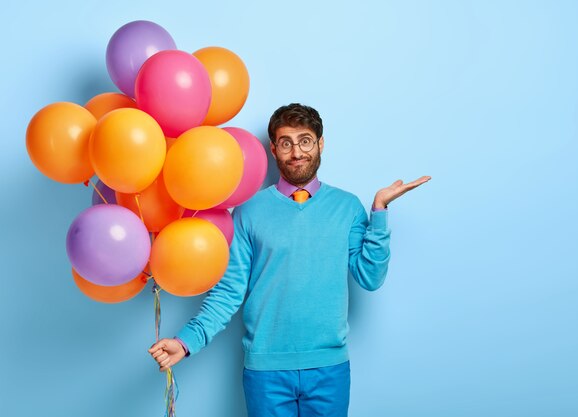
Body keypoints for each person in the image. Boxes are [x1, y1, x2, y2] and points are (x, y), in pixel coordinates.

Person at [149, 103, 431, 417]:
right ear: (273, 149)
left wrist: (378, 211)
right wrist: (186, 342)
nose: (296, 152)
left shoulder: (348, 207)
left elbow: (370, 277)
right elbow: (228, 293)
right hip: (266, 372)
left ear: (320, 143)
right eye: (286, 143)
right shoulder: (249, 211)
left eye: (305, 140)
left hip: (329, 368)